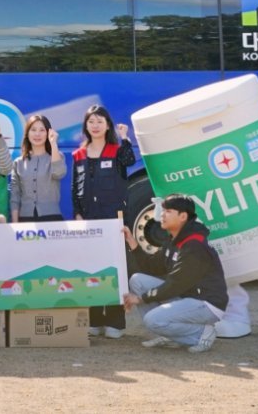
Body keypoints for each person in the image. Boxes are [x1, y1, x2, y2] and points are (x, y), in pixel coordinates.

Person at [122, 194, 228, 353]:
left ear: (183, 216)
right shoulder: (174, 240)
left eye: (168, 211)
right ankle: (171, 334)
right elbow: (152, 266)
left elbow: (176, 284)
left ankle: (201, 334)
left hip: (207, 303)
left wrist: (141, 298)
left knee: (152, 320)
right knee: (137, 280)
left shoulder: (194, 245)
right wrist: (132, 242)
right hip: (187, 296)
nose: (162, 215)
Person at [73, 103, 136, 339]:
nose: (95, 125)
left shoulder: (117, 151)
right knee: (91, 269)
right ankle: (95, 319)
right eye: (91, 121)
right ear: (86, 126)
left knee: (114, 270)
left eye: (100, 121)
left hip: (113, 219)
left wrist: (125, 138)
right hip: (89, 220)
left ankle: (115, 322)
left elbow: (130, 160)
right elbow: (75, 188)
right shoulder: (79, 155)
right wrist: (77, 213)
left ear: (107, 125)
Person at [10, 113, 67, 223]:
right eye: (33, 130)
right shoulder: (18, 163)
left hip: (52, 218)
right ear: (27, 133)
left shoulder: (56, 156)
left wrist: (53, 144)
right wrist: (15, 224)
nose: (37, 134)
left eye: (42, 130)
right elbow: (15, 196)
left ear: (48, 133)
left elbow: (59, 173)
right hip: (25, 219)